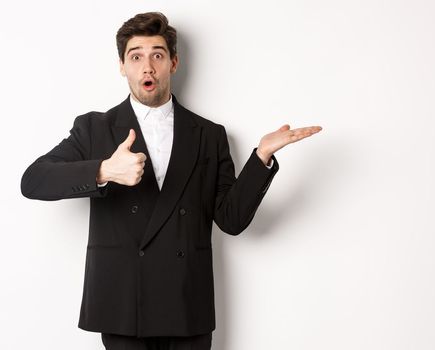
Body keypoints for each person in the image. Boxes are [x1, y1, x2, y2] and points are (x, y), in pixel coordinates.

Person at [20, 12, 321, 350]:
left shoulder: (209, 135)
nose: (147, 66)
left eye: (157, 55)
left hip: (185, 305)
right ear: (122, 65)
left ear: (173, 63)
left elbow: (231, 220)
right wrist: (103, 171)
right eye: (136, 56)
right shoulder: (94, 129)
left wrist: (261, 157)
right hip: (123, 307)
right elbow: (33, 181)